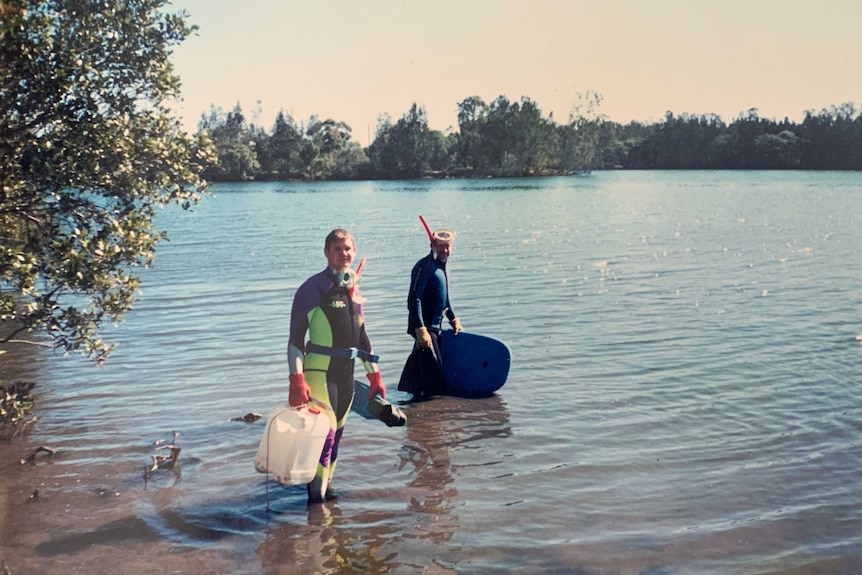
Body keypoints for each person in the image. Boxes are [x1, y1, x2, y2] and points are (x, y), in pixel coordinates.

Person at [287, 228, 386, 504]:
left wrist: (374, 375)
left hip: (347, 374)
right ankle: (315, 501)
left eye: (348, 249)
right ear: (326, 253)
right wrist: (296, 380)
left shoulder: (353, 288)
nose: (344, 254)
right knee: (325, 437)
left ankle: (325, 499)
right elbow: (295, 341)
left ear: (354, 252)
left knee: (338, 436)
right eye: (337, 249)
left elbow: (363, 338)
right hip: (319, 373)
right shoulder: (312, 289)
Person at [398, 227, 463, 397]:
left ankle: (417, 414)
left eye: (448, 246)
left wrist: (453, 318)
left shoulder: (441, 267)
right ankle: (425, 415)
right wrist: (420, 329)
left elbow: (445, 298)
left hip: (436, 329)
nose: (445, 250)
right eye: (441, 246)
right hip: (426, 330)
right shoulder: (424, 267)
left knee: (422, 377)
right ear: (432, 244)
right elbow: (414, 299)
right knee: (436, 380)